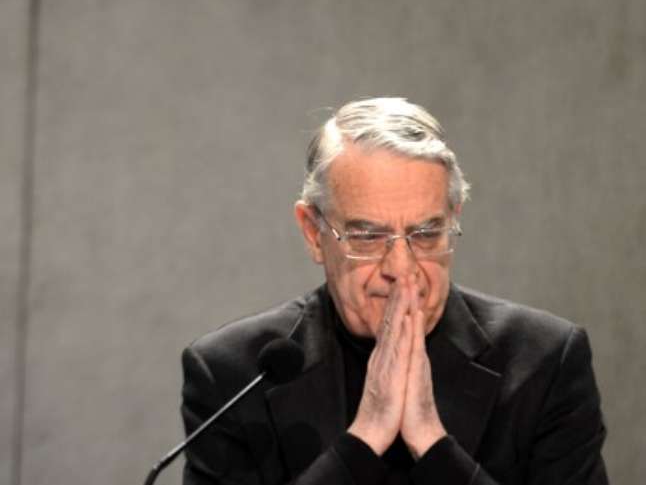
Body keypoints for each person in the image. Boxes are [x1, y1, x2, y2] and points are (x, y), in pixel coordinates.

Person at [181, 97, 609, 483]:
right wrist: (364, 439)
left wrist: (432, 442)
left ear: (453, 218)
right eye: (368, 237)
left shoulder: (544, 363)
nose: (402, 270)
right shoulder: (233, 375)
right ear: (313, 233)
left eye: (426, 234)